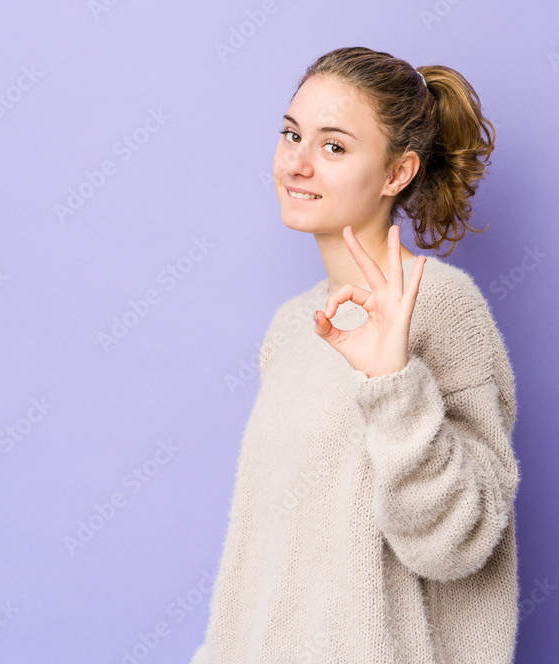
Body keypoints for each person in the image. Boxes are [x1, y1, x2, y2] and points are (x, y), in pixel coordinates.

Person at [188, 46, 521, 663]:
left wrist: (391, 382)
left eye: (334, 146)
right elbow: (262, 564)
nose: (297, 163)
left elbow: (460, 544)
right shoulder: (294, 326)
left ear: (397, 173)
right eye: (292, 135)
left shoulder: (440, 308)